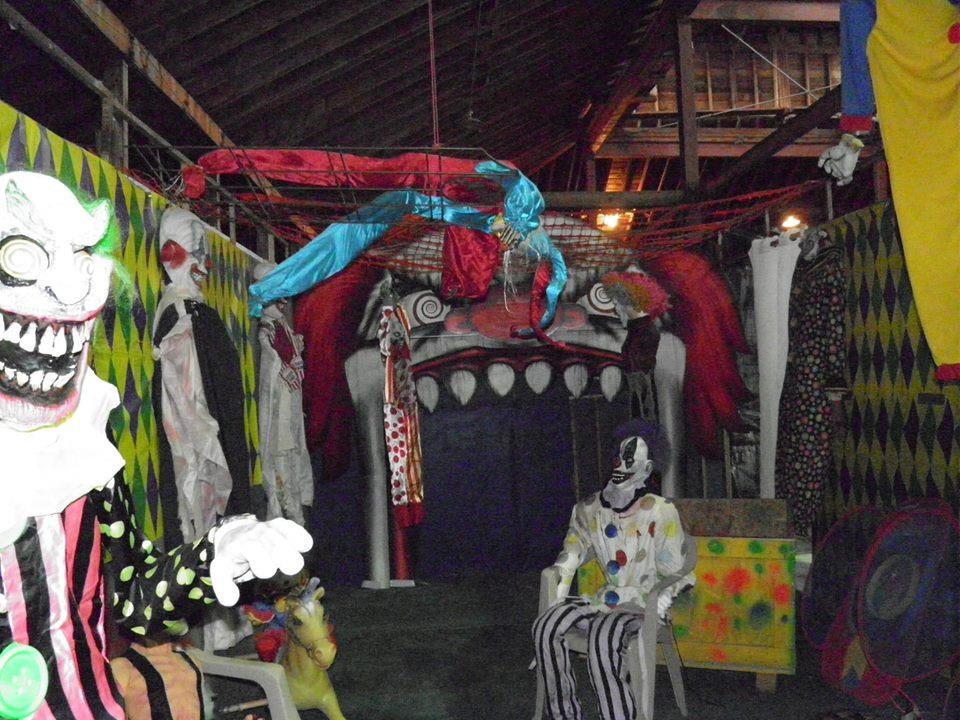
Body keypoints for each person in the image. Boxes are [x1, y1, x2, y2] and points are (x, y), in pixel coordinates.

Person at [0, 170, 312, 720]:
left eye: (83, 259)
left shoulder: (85, 450)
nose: (70, 288)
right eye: (21, 256)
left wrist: (213, 557)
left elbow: (136, 602)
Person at [532, 420, 694, 720]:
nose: (621, 464)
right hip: (603, 600)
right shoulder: (590, 508)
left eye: (631, 458)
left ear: (647, 468)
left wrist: (652, 607)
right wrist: (558, 582)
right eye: (620, 456)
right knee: (545, 627)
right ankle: (564, 714)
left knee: (603, 637)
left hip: (641, 603)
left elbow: (677, 571)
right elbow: (571, 552)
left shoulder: (662, 512)